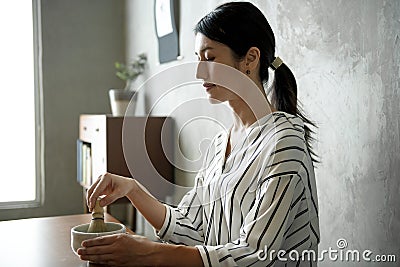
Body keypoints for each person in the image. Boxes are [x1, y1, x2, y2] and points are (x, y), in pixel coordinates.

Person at [77, 2, 320, 266]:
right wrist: (132, 189)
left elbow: (254, 254)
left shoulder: (284, 141)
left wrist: (148, 252)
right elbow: (190, 227)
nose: (198, 71)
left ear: (250, 58)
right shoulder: (219, 145)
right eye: (198, 58)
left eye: (210, 58)